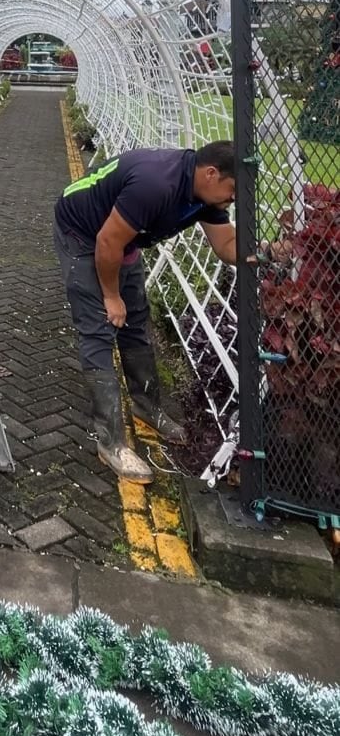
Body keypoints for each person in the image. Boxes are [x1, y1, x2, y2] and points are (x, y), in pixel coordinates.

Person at [53, 139, 237, 482]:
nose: (234, 199)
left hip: (121, 237)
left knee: (136, 320)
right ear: (211, 174)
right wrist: (111, 296)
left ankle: (146, 406)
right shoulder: (157, 185)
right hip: (82, 232)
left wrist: (266, 252)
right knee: (99, 328)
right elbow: (107, 242)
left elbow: (226, 244)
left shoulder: (205, 194)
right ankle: (111, 443)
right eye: (233, 190)